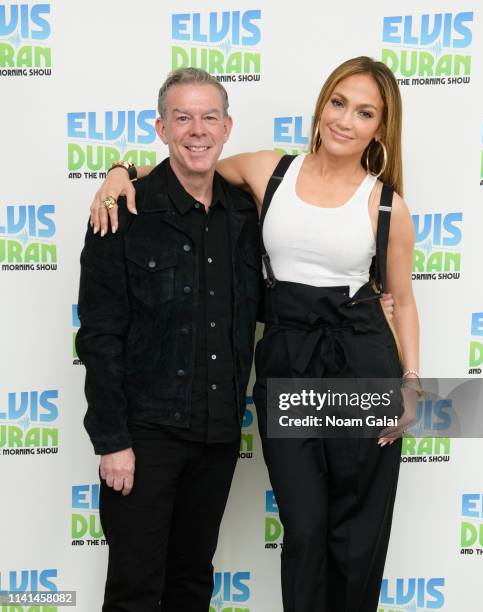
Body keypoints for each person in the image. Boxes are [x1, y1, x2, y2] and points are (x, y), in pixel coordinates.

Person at [90, 57, 417, 612]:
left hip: (362, 362)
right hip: (289, 359)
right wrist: (122, 170)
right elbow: (190, 164)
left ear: (379, 128)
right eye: (339, 103)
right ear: (321, 106)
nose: (345, 120)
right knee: (306, 525)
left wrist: (411, 386)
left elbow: (403, 299)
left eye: (364, 113)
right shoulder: (270, 171)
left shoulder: (387, 203)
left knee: (356, 531)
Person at [75, 68, 264, 612]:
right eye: (183, 118)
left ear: (227, 128)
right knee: (136, 588)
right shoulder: (123, 212)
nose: (196, 130)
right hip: (144, 438)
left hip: (218, 434)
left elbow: (271, 301)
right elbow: (101, 336)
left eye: (209, 118)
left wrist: (368, 302)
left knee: (190, 585)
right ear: (161, 127)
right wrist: (112, 441)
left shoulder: (243, 216)